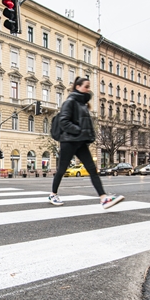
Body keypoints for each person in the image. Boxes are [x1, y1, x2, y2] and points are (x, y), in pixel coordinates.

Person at [49, 76, 124, 209]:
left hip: (80, 141)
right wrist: (79, 130)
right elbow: (64, 122)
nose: (88, 89)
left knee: (92, 170)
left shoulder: (82, 104)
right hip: (69, 141)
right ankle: (53, 194)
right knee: (62, 169)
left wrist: (88, 135)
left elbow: (86, 123)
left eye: (89, 87)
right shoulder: (70, 101)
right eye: (86, 86)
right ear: (78, 87)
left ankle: (103, 198)